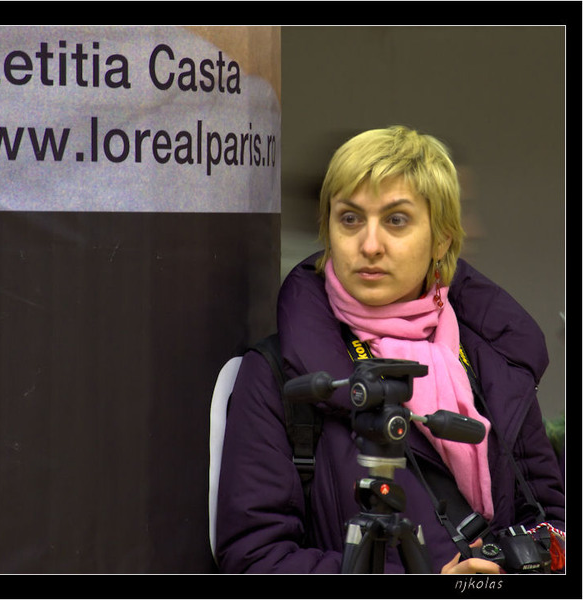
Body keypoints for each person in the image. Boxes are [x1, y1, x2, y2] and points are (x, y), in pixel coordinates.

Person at [214, 125, 565, 574]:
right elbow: (256, 558)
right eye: (350, 219)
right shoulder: (280, 374)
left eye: (396, 220)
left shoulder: (493, 358)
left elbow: (553, 523)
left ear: (441, 239)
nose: (370, 245)